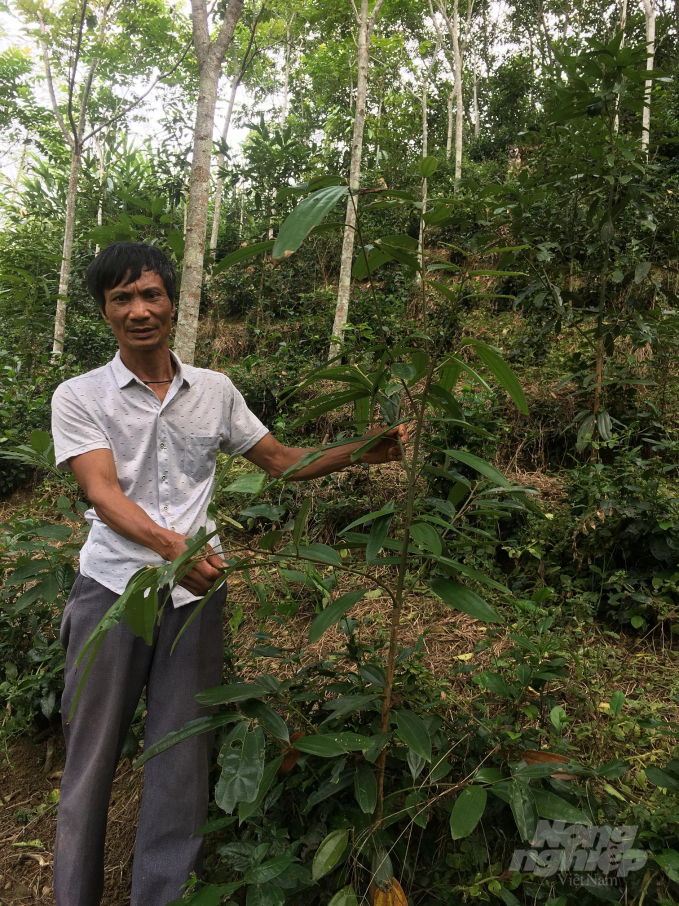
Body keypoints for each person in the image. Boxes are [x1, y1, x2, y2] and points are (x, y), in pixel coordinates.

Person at [50, 241, 408, 906]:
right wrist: (176, 551)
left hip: (194, 603)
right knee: (90, 763)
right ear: (104, 311)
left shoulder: (213, 391)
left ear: (173, 301)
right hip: (111, 593)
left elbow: (281, 461)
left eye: (150, 294)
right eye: (122, 299)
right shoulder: (80, 396)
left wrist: (363, 450)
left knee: (181, 765)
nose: (138, 310)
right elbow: (102, 493)